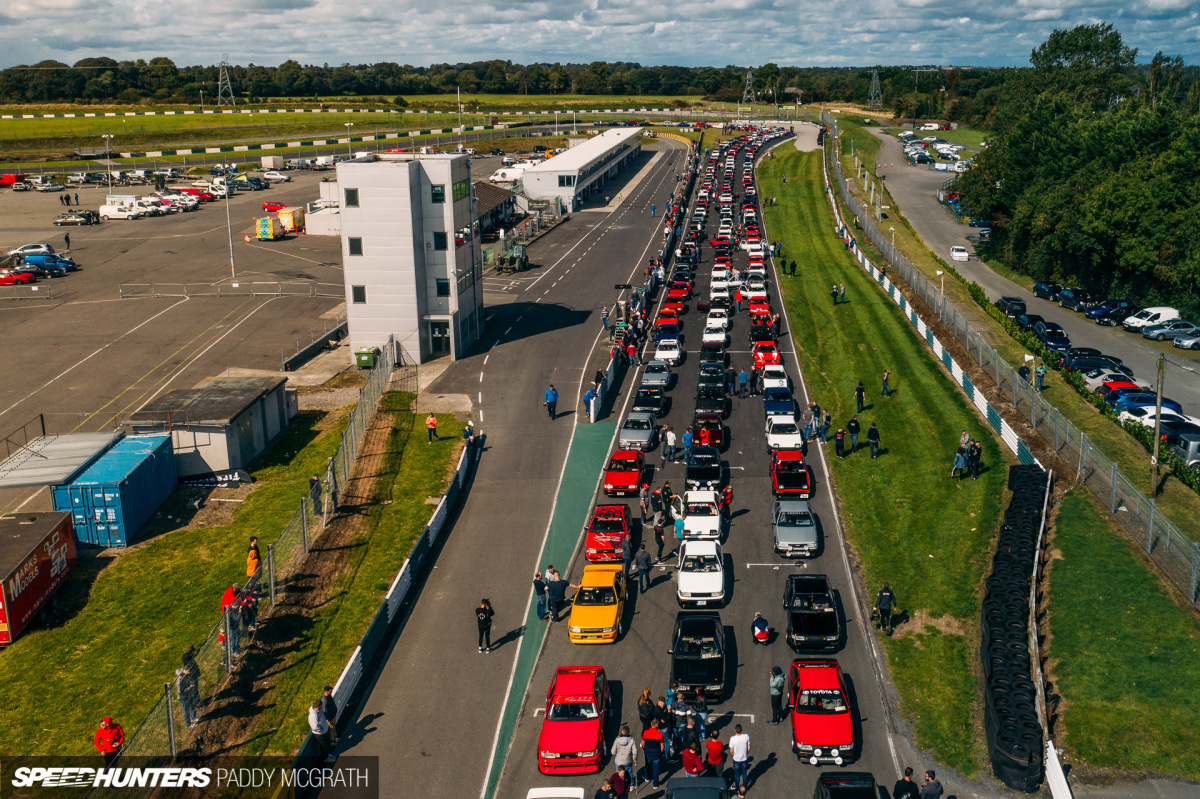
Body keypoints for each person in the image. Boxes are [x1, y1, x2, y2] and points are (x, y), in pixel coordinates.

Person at [177, 646, 201, 728]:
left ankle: (193, 717)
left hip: (188, 694)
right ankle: (188, 724)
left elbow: (178, 670)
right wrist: (190, 687)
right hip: (183, 697)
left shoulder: (186, 675)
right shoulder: (180, 680)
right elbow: (181, 691)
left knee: (193, 704)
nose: (189, 671)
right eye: (188, 671)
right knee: (186, 710)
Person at [641, 720, 666, 788]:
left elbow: (642, 743)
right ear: (657, 725)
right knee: (655, 769)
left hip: (648, 753)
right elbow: (662, 747)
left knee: (647, 765)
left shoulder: (645, 732)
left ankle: (647, 777)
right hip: (656, 754)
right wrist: (661, 752)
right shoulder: (660, 734)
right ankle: (655, 784)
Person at [727, 725, 751, 791]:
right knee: (744, 773)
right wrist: (746, 754)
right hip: (744, 758)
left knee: (737, 774)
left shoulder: (732, 738)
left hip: (736, 759)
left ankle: (737, 787)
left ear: (735, 730)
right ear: (741, 730)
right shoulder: (746, 736)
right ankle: (745, 786)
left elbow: (731, 750)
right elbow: (749, 747)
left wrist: (732, 755)